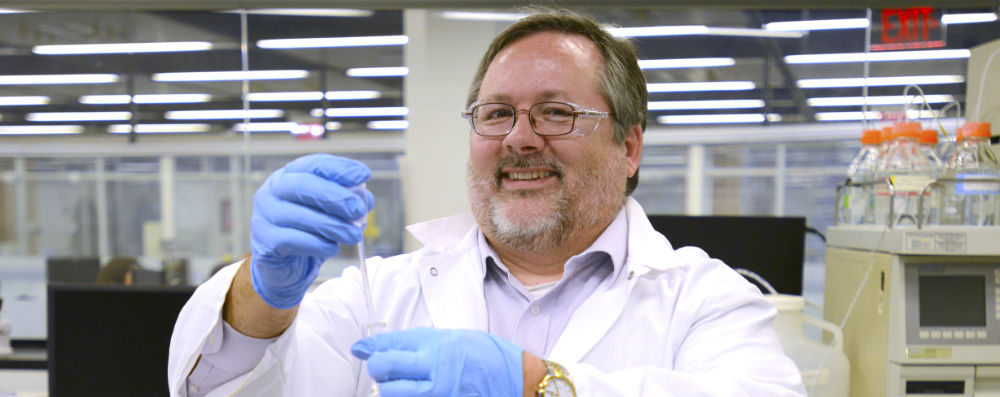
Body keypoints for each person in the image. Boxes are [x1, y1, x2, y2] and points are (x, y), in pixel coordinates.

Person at [169, 10, 807, 397]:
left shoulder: (705, 299)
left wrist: (536, 386)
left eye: (556, 113)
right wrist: (261, 295)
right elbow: (228, 388)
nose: (518, 137)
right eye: (496, 113)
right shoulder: (377, 295)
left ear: (629, 146)